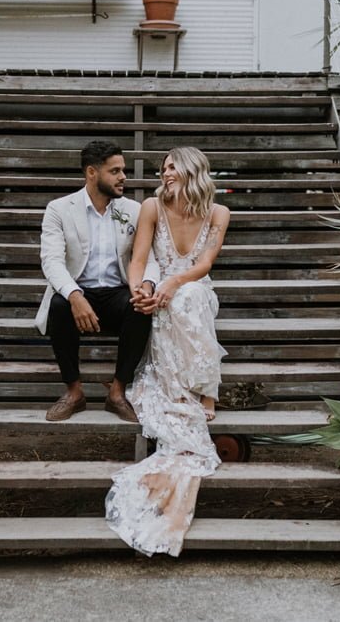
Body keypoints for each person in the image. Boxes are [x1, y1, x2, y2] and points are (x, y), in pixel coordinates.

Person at [105, 146, 231, 556]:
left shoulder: (218, 213)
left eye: (173, 166)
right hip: (159, 291)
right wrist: (139, 291)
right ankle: (182, 388)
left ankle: (205, 389)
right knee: (168, 302)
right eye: (164, 168)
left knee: (189, 297)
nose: (166, 172)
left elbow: (204, 264)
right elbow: (139, 259)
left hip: (193, 289)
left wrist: (173, 284)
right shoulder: (152, 206)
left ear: (193, 169)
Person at [37, 140, 160, 423]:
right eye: (115, 171)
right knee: (59, 304)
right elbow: (51, 261)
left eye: (123, 170)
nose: (123, 177)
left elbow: (150, 258)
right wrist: (75, 295)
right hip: (79, 291)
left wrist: (147, 285)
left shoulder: (134, 210)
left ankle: (117, 393)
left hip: (118, 292)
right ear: (92, 172)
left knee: (140, 307)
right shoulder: (59, 209)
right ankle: (74, 393)